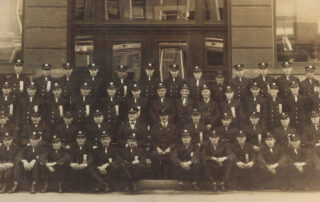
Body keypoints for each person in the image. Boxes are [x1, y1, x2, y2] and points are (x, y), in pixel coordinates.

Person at [150, 108, 177, 179]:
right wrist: (157, 148)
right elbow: (152, 140)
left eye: (165, 115)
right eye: (162, 115)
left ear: (168, 116)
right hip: (158, 148)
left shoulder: (173, 127)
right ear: (159, 117)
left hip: (169, 148)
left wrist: (170, 148)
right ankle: (157, 174)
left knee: (173, 156)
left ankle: (169, 175)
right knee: (154, 155)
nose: (163, 117)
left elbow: (176, 141)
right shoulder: (155, 127)